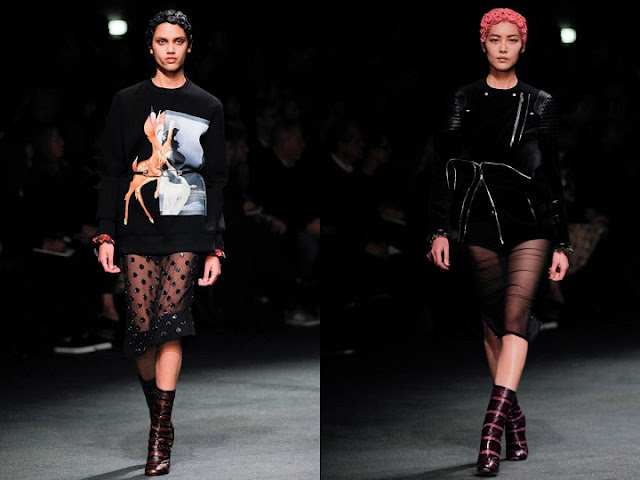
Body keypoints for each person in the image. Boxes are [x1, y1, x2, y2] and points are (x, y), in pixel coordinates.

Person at [425, 8, 572, 476]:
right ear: (483, 43)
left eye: (511, 39)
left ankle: (490, 430)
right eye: (495, 39)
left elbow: (552, 174)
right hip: (478, 218)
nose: (503, 47)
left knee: (514, 318)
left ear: (523, 45)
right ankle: (515, 419)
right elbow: (445, 168)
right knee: (492, 323)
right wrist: (439, 229)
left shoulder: (540, 102)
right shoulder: (462, 100)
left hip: (531, 221)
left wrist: (562, 242)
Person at [93, 9, 227, 476]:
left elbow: (216, 178)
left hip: (187, 223)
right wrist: (105, 232)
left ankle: (157, 435)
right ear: (150, 46)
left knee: (170, 323)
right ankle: (163, 422)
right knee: (140, 330)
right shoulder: (127, 101)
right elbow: (112, 170)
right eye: (162, 41)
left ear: (189, 46)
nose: (170, 49)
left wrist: (215, 244)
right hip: (137, 227)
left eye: (178, 41)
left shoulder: (208, 105)